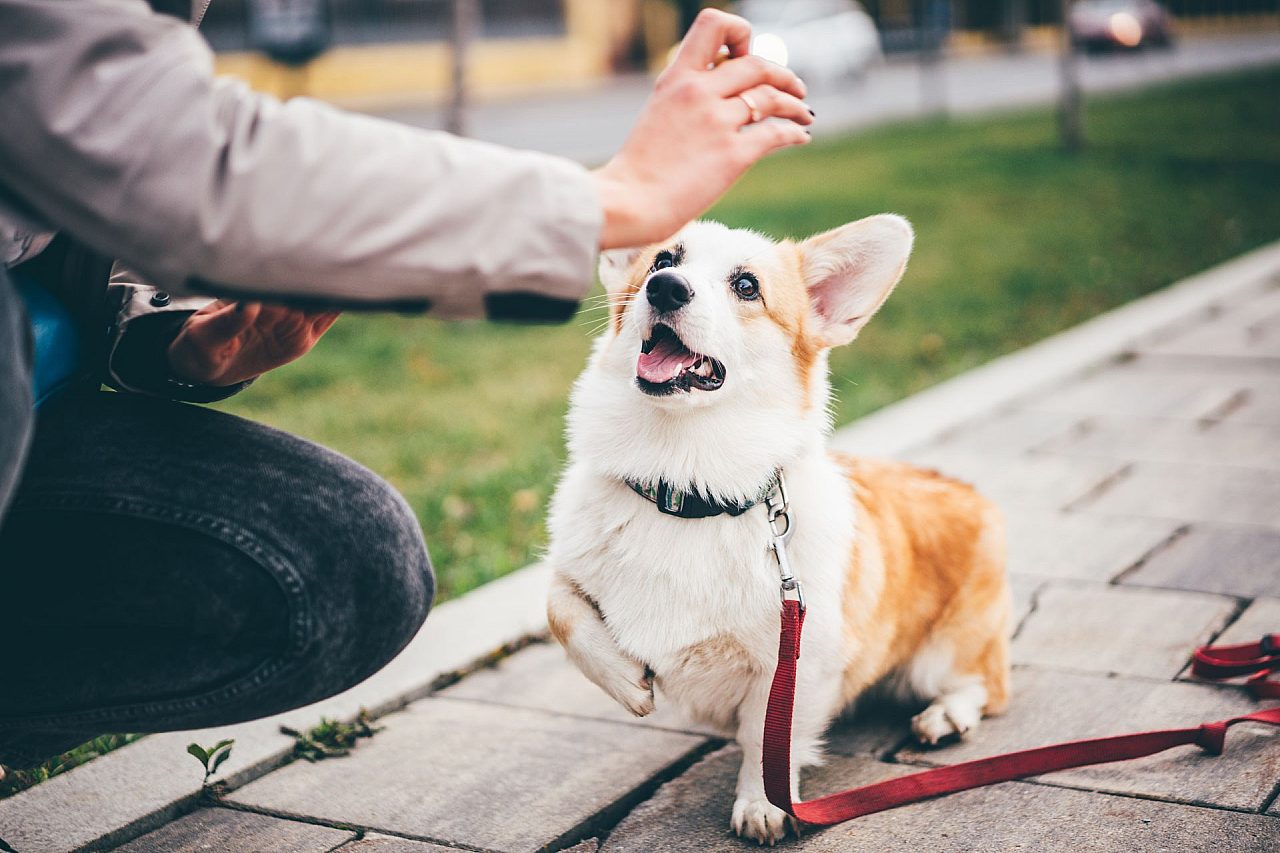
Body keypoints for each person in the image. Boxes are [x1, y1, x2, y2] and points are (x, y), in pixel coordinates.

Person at [0, 0, 812, 771]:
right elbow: (148, 132)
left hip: (39, 398)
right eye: (664, 268)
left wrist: (184, 346)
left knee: (357, 563)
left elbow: (101, 194)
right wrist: (615, 196)